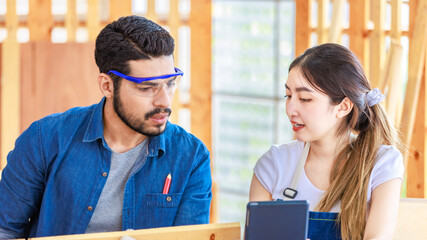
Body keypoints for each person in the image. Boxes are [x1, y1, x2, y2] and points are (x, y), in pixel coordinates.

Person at [0, 15, 212, 239]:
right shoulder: (44, 140)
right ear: (107, 86)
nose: (165, 101)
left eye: (170, 84)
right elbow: (5, 230)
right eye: (147, 88)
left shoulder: (191, 157)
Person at [249, 43, 404, 240]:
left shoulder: (382, 164)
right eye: (288, 95)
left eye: (305, 98)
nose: (290, 109)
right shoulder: (273, 164)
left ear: (343, 107)